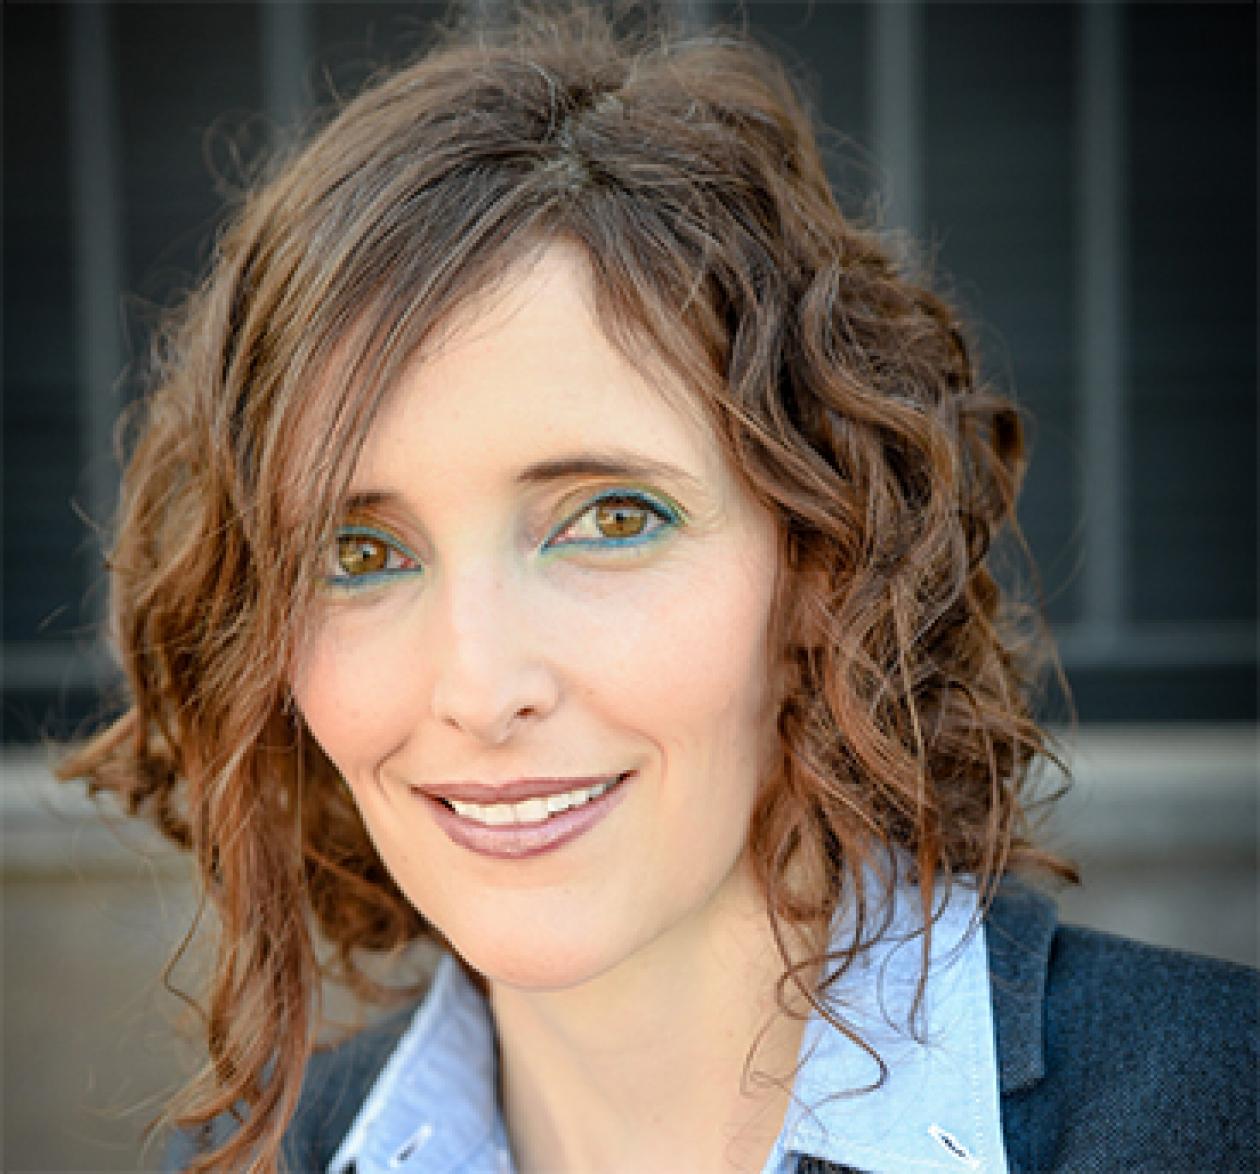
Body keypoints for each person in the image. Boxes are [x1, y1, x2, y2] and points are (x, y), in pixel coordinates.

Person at [59, 5, 1256, 1173]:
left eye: (612, 520)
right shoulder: (245, 1156)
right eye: (359, 554)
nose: (481, 687)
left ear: (821, 569)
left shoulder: (1212, 1111)